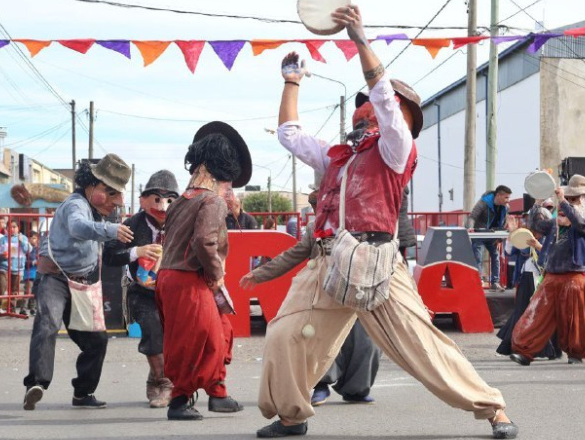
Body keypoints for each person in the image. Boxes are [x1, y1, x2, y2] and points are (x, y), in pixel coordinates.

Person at [256, 6, 517, 439]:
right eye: (361, 109)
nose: (363, 111)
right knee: (283, 334)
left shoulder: (398, 149)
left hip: (377, 263)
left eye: (373, 107)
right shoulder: (337, 156)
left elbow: (381, 96)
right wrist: (291, 81)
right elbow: (289, 134)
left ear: (400, 119)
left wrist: (359, 37)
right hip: (326, 263)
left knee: (423, 346)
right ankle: (291, 416)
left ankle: (493, 408)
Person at [242, 191, 382, 407]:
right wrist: (260, 274)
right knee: (319, 338)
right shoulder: (314, 227)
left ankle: (356, 389)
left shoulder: (361, 222)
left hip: (358, 288)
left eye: (322, 205)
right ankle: (320, 385)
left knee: (367, 340)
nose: (319, 210)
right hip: (326, 291)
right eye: (315, 206)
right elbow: (294, 254)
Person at [22, 154, 134, 411]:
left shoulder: (99, 211)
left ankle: (83, 393)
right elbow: (78, 227)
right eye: (110, 193)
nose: (116, 201)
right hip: (54, 279)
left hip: (81, 284)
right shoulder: (76, 205)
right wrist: (111, 230)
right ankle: (36, 384)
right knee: (48, 324)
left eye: (118, 194)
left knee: (97, 341)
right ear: (91, 186)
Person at [157, 122, 250, 421]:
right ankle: (179, 400)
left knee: (218, 332)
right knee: (197, 341)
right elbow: (204, 241)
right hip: (189, 278)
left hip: (172, 276)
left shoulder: (182, 201)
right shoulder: (211, 200)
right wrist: (216, 274)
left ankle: (217, 393)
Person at [103, 170, 180, 409]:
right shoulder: (131, 225)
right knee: (152, 330)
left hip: (175, 291)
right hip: (142, 292)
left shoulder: (182, 223)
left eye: (169, 200)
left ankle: (155, 375)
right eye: (156, 199)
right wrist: (138, 251)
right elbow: (110, 256)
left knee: (174, 339)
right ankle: (165, 382)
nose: (162, 206)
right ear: (143, 201)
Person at [510, 175, 585, 366]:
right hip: (551, 277)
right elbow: (536, 225)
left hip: (573, 278)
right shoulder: (554, 225)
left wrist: (564, 201)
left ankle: (575, 353)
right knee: (536, 314)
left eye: (574, 199)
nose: (568, 204)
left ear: (583, 203)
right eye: (568, 199)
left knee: (574, 320)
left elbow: (576, 219)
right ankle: (525, 352)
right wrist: (537, 204)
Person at [496, 205, 561, 360]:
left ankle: (547, 348)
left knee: (539, 314)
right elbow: (510, 252)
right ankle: (522, 346)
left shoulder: (553, 236)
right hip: (527, 277)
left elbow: (551, 257)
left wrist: (537, 246)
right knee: (524, 313)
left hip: (542, 279)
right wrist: (513, 234)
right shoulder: (527, 234)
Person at [467, 186, 512, 291]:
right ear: (499, 195)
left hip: (492, 235)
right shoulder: (483, 203)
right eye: (506, 197)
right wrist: (470, 228)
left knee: (495, 256)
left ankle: (495, 283)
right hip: (479, 234)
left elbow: (503, 222)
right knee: (478, 256)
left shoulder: (506, 207)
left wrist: (499, 238)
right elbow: (473, 217)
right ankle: (478, 282)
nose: (508, 200)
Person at [0, 220, 30, 316]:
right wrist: (2, 255)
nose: (12, 229)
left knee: (14, 290)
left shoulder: (24, 238)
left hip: (17, 267)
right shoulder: (3, 239)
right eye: (10, 227)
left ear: (18, 228)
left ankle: (12, 309)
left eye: (14, 227)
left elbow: (28, 250)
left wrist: (21, 242)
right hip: (4, 266)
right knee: (1, 287)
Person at [398, 187, 417, 260]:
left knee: (395, 260)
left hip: (398, 230)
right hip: (404, 229)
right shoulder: (403, 192)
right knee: (401, 257)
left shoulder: (397, 191)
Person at [23, 231, 39, 316]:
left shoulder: (39, 249)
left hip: (37, 273)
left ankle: (33, 308)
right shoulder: (26, 249)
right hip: (29, 273)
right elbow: (23, 261)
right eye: (32, 238)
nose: (33, 240)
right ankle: (24, 308)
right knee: (27, 291)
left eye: (35, 238)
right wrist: (33, 262)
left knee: (35, 292)